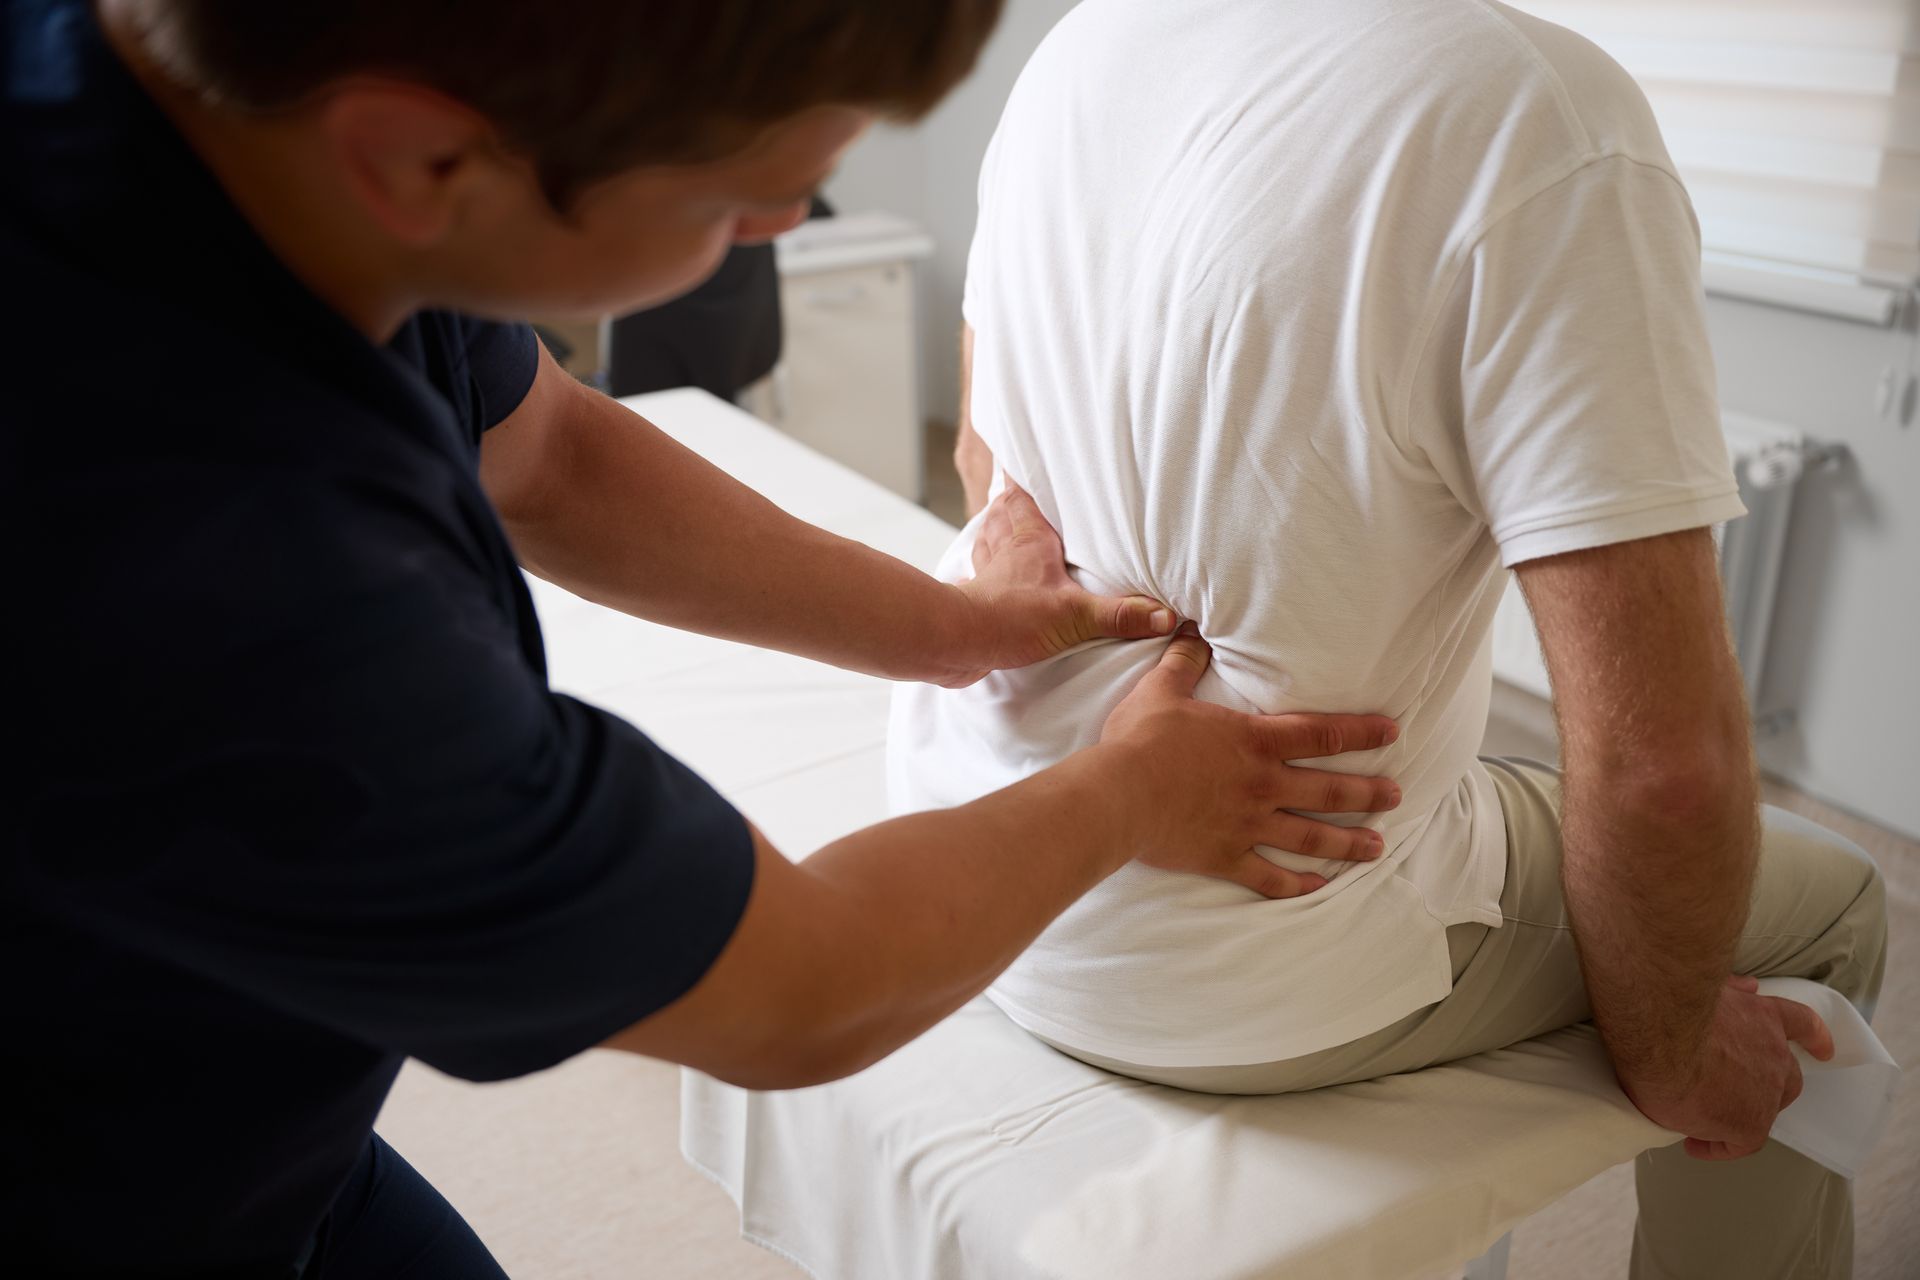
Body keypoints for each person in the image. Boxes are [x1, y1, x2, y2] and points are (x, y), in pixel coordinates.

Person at [2, 1, 1410, 1275]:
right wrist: (1133, 793)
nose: (786, 226)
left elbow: (544, 448)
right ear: (424, 161)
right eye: (747, 196)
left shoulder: (241, 116)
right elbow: (794, 989)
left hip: (251, 1116)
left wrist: (942, 626)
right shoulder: (229, 585)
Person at [891, 1, 1889, 1276]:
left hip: (987, 830)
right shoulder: (1544, 117)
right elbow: (1664, 769)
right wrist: (1681, 1049)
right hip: (1231, 948)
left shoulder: (1082, 43)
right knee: (1834, 898)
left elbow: (987, 461)